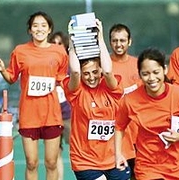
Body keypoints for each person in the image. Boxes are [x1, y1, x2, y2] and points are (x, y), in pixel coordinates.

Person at [115, 47, 179, 180]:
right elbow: (119, 126)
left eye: (156, 72)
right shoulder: (130, 100)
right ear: (139, 74)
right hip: (149, 165)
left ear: (164, 70)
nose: (152, 78)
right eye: (145, 74)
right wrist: (118, 153)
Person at [0, 11, 68, 180]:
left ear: (49, 30)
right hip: (29, 114)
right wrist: (3, 70)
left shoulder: (60, 52)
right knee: (31, 162)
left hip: (52, 114)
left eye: (43, 25)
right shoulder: (20, 51)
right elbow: (11, 77)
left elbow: (63, 80)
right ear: (30, 30)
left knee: (52, 162)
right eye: (35, 25)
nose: (39, 29)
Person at [62, 19, 130, 180]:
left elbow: (107, 71)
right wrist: (72, 43)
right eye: (87, 74)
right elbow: (76, 72)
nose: (91, 77)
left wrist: (100, 37)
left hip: (114, 157)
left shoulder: (111, 88)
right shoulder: (75, 91)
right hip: (85, 160)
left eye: (94, 72)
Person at [109, 23, 141, 179]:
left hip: (139, 131)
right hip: (117, 133)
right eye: (115, 40)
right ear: (110, 42)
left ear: (130, 42)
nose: (118, 44)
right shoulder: (105, 66)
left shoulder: (138, 65)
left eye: (122, 40)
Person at [48, 31, 71, 180]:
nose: (56, 46)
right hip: (51, 115)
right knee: (54, 155)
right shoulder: (46, 64)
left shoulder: (71, 63)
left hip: (69, 114)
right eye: (53, 43)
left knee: (77, 150)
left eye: (59, 43)